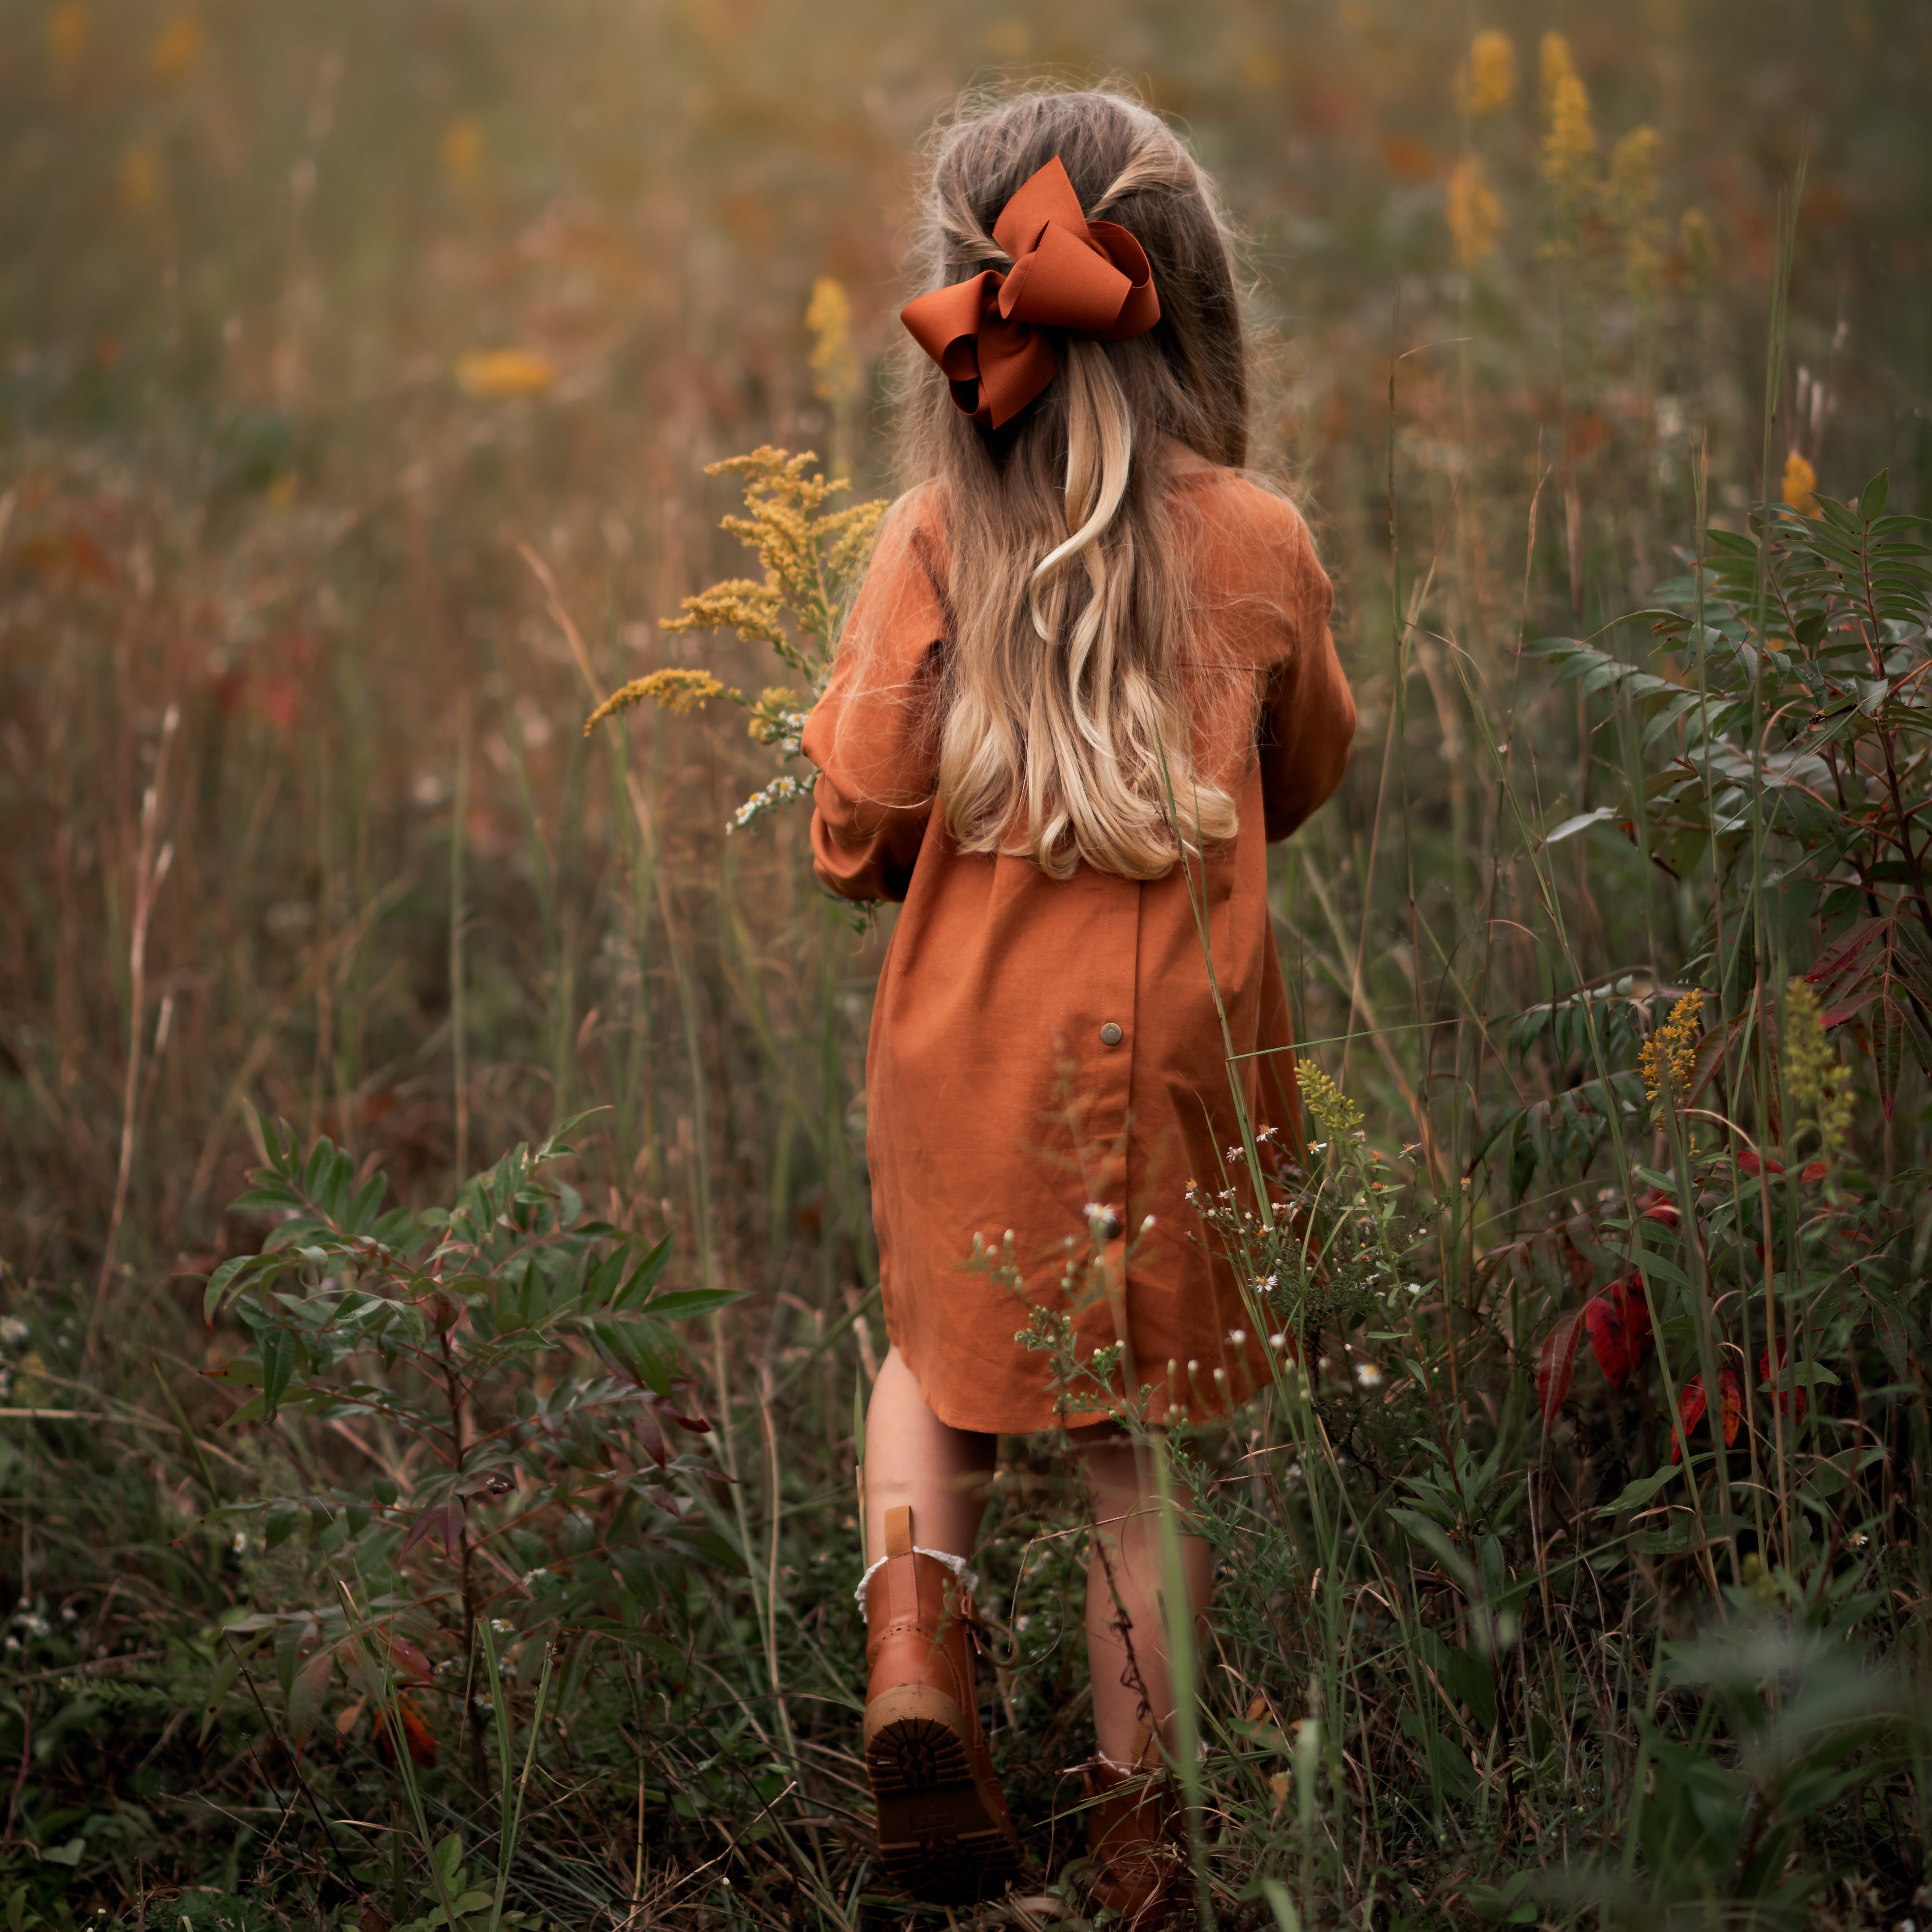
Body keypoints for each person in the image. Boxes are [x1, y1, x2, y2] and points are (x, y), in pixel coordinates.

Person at [800, 86, 1355, 1926]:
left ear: (976, 312)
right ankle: (1142, 1861)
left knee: (930, 1374)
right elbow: (1304, 772)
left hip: (959, 1057)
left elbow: (858, 823)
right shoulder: (1261, 543)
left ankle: (913, 1673)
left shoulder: (930, 543)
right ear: (1194, 304)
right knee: (1135, 1468)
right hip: (1170, 1081)